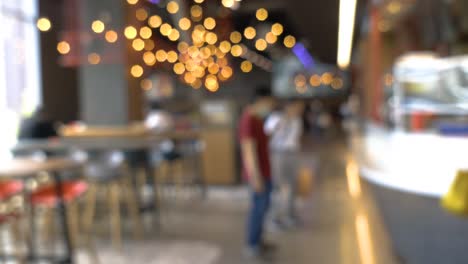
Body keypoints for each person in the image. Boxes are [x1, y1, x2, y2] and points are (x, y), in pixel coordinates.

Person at [239, 86, 276, 260]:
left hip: (264, 171)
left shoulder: (257, 119)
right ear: (261, 100)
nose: (270, 106)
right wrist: (256, 177)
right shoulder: (248, 120)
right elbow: (248, 150)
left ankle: (258, 241)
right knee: (258, 209)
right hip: (259, 174)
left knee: (263, 208)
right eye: (269, 102)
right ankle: (252, 244)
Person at [267, 100, 305, 228]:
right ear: (288, 107)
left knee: (292, 185)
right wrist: (281, 123)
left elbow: (296, 138)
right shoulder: (276, 117)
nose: (299, 110)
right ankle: (274, 217)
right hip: (278, 153)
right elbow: (267, 132)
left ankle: (290, 215)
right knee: (278, 186)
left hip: (292, 153)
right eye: (297, 107)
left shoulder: (297, 120)